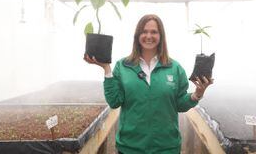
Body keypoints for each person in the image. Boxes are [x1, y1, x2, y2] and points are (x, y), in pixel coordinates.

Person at [84, 14, 213, 154]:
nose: (148, 36)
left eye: (154, 32)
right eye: (144, 31)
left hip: (166, 148)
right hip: (130, 147)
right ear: (137, 35)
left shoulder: (174, 68)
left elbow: (179, 104)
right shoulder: (123, 66)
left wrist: (197, 95)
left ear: (161, 36)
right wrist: (106, 69)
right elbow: (114, 102)